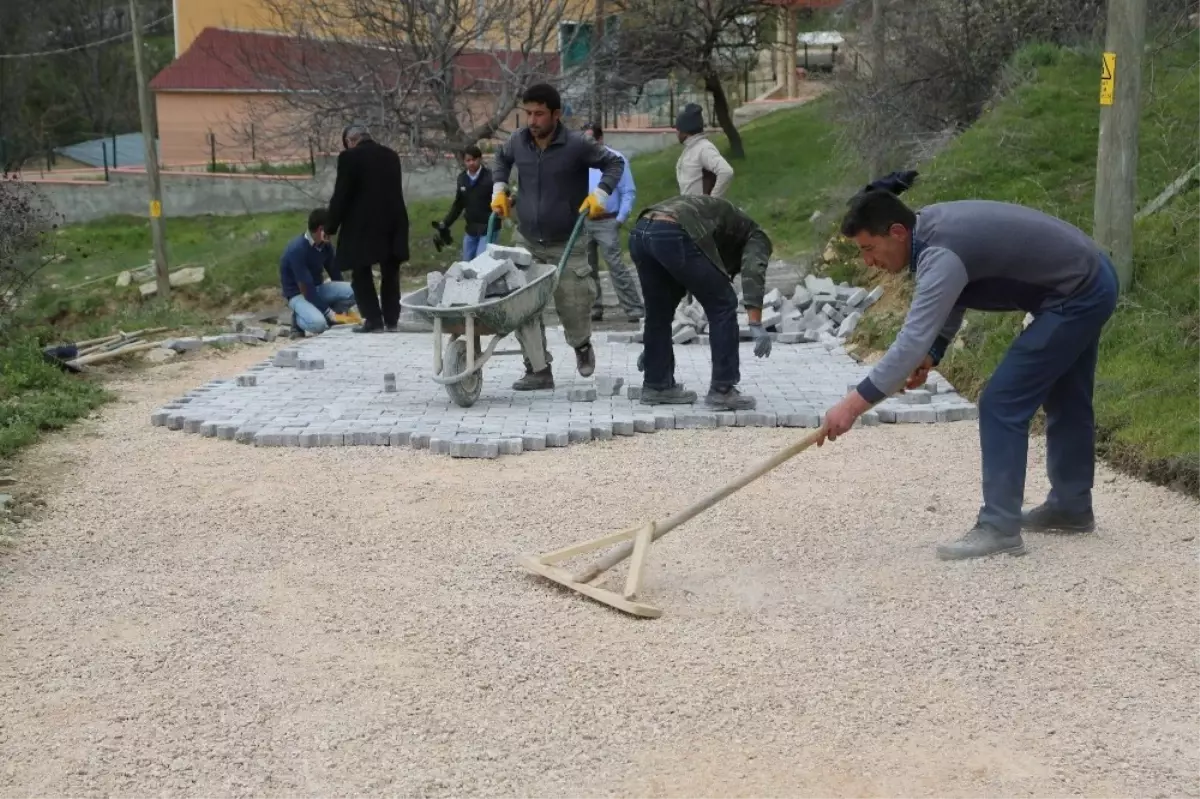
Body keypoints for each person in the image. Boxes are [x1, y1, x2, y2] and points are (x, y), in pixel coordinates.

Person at [821, 173, 1120, 562]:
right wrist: (937, 350)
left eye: (869, 248)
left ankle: (999, 527)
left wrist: (851, 406)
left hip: (1078, 293)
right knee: (1067, 397)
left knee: (1002, 401)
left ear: (895, 232)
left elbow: (909, 342)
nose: (868, 261)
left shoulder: (939, 253)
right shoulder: (928, 231)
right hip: (1090, 277)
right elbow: (957, 290)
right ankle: (1071, 507)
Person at [490, 83, 626, 391]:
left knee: (573, 303)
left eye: (539, 114)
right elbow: (500, 159)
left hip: (568, 239)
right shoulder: (517, 141)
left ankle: (581, 344)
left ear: (556, 114)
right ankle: (538, 369)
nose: (532, 121)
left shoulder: (577, 144)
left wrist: (600, 194)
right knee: (522, 306)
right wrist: (499, 190)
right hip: (527, 239)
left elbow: (614, 163)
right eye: (528, 113)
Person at [629, 195, 773, 411]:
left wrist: (655, 352)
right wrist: (756, 324)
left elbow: (677, 287)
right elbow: (754, 270)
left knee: (658, 311)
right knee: (723, 304)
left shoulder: (716, 228)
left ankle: (657, 384)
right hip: (673, 230)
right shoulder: (756, 236)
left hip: (641, 231)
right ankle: (723, 391)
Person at [326, 123, 410, 334]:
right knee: (390, 272)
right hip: (393, 221)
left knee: (361, 272)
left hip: (363, 225)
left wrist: (330, 226)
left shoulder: (349, 158)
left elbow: (341, 195)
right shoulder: (391, 156)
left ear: (351, 141)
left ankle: (373, 319)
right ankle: (392, 319)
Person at [581, 123, 644, 323]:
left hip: (608, 221)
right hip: (583, 221)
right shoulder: (579, 161)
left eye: (591, 139)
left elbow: (628, 190)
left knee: (616, 266)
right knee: (586, 268)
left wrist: (621, 218)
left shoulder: (615, 160)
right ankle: (594, 308)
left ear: (600, 139)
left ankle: (634, 309)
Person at [279, 209, 357, 336]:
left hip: (317, 289)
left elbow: (335, 273)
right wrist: (330, 314)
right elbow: (306, 289)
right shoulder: (297, 250)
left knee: (356, 290)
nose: (331, 235)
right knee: (319, 325)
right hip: (298, 294)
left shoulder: (325, 246)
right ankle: (298, 320)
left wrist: (346, 309)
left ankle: (320, 311)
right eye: (329, 230)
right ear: (321, 229)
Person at [436, 145, 494, 261]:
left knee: (481, 262)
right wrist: (445, 223)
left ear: (480, 159)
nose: (471, 163)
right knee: (466, 263)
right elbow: (458, 205)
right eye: (468, 160)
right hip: (471, 228)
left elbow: (503, 195)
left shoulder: (490, 177)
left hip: (488, 228)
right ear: (464, 162)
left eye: (474, 159)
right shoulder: (462, 179)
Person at [673, 103, 734, 198]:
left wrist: (712, 201)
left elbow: (726, 171)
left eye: (678, 129)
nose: (676, 132)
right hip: (689, 207)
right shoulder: (690, 149)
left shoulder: (704, 148)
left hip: (701, 210)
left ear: (685, 131)